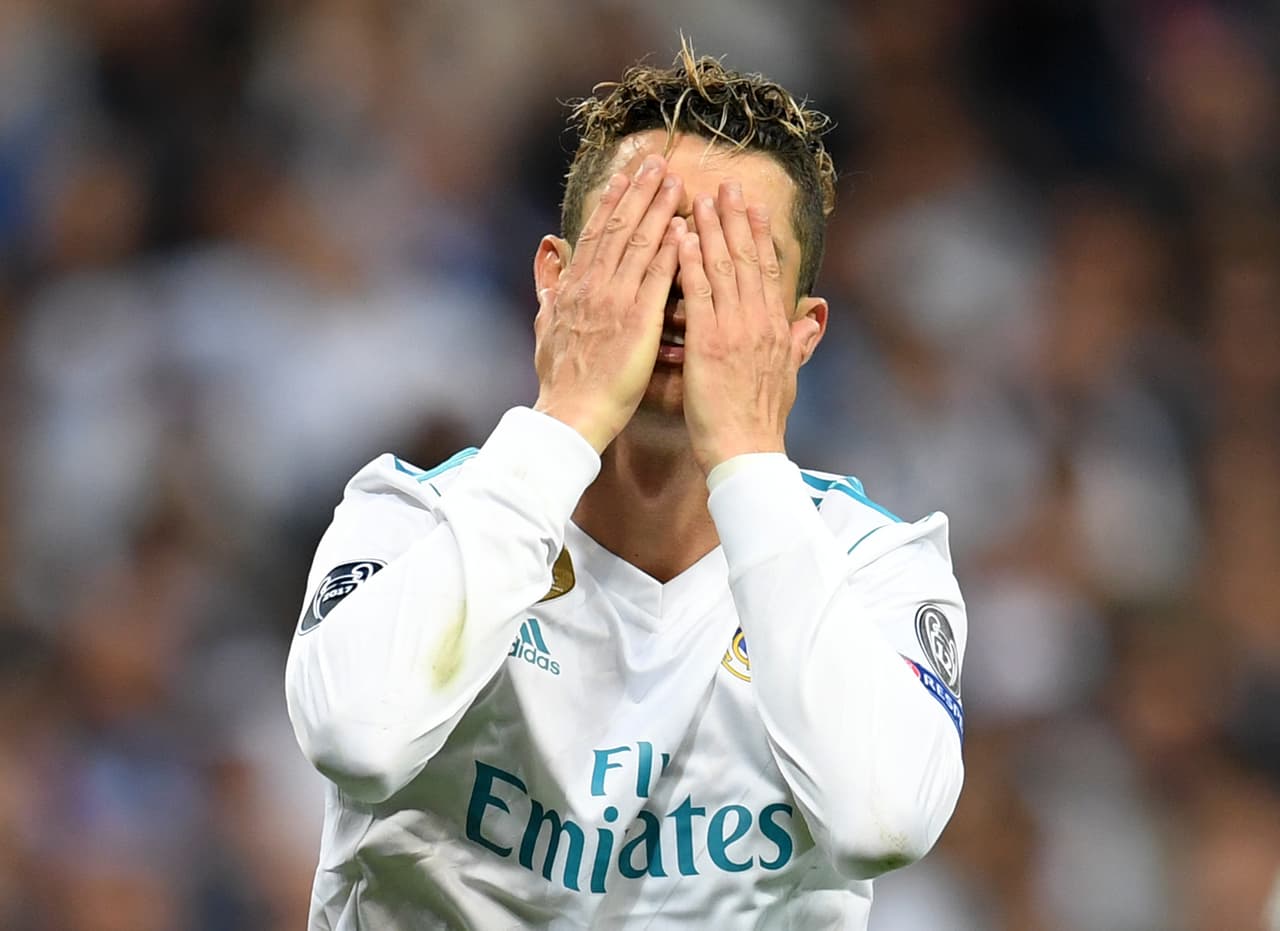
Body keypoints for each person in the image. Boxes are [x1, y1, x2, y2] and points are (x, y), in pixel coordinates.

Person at [285, 43, 967, 929]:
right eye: (645, 246)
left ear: (802, 336)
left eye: (732, 264)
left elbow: (881, 821)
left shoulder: (879, 567)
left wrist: (748, 457)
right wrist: (567, 412)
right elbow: (358, 741)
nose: (683, 293)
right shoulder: (410, 516)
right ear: (555, 280)